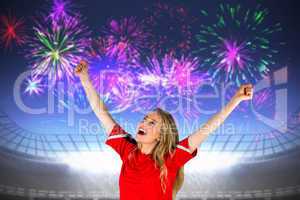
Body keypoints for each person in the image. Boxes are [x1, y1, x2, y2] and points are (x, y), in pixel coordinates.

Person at [74, 60, 253, 200]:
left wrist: (235, 100)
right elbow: (101, 112)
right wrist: (84, 79)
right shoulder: (126, 149)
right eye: (145, 119)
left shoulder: (171, 159)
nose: (143, 124)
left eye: (152, 123)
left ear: (161, 136)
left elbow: (207, 129)